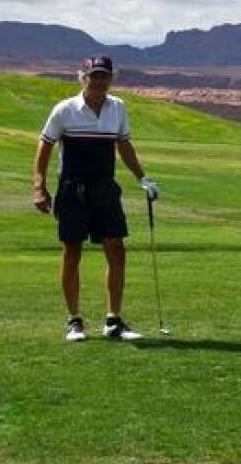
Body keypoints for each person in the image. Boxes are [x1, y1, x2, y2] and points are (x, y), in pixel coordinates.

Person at [31, 54, 159, 342]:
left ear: (111, 78)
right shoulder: (65, 109)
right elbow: (45, 145)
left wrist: (143, 177)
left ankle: (113, 321)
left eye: (104, 76)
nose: (99, 81)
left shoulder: (118, 108)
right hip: (72, 189)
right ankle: (74, 321)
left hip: (105, 188)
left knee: (116, 250)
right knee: (72, 252)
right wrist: (38, 186)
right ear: (83, 78)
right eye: (94, 76)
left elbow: (123, 144)